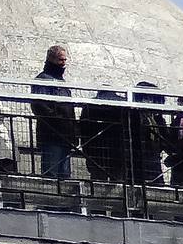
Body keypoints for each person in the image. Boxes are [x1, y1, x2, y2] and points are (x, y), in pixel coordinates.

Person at [31, 45, 78, 179]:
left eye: (64, 60)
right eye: (60, 60)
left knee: (64, 175)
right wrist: (58, 120)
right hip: (52, 134)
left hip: (65, 135)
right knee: (52, 174)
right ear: (51, 59)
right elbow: (39, 105)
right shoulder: (43, 79)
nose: (63, 63)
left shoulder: (61, 82)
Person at [79, 89, 130, 182]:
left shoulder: (90, 105)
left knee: (98, 181)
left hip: (96, 150)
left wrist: (86, 150)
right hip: (118, 149)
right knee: (119, 181)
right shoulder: (123, 105)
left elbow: (84, 129)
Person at [126, 81, 170, 185]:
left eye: (151, 98)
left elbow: (166, 140)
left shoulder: (157, 118)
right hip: (136, 162)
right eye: (146, 98)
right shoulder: (132, 116)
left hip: (154, 161)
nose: (149, 101)